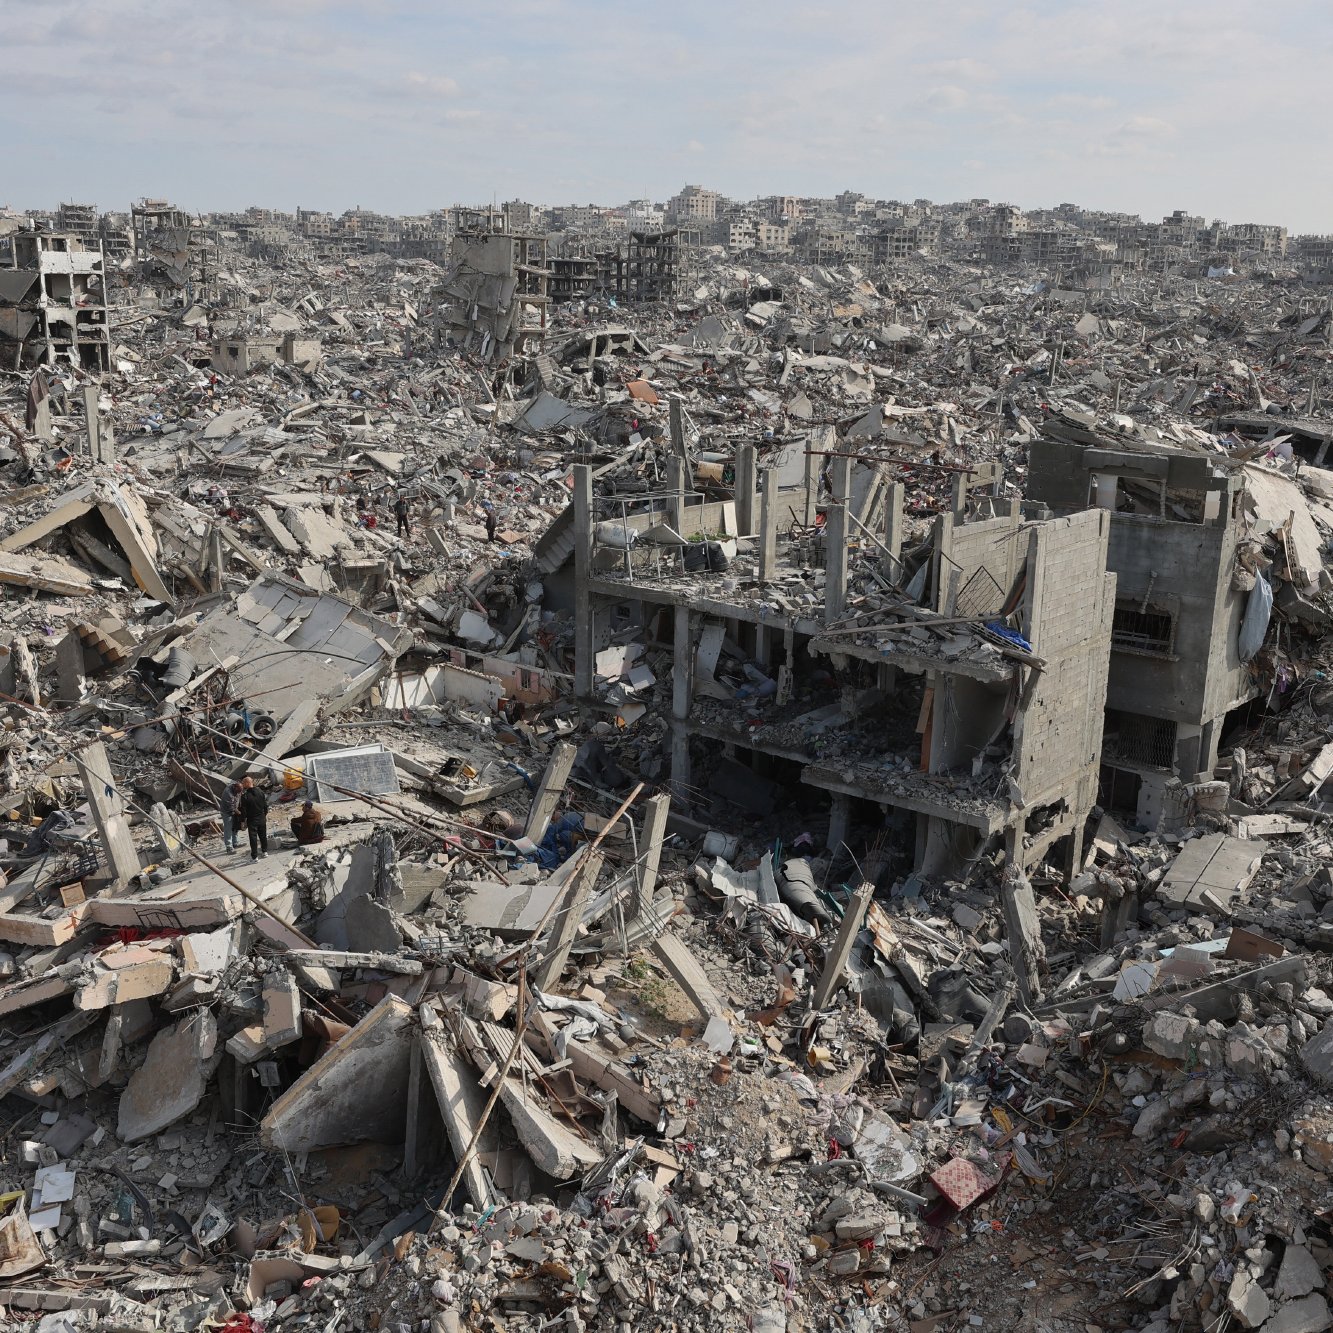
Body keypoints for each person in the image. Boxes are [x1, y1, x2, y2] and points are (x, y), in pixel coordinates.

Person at [238, 776, 269, 861]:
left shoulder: (245, 796)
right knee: (263, 835)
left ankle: (255, 857)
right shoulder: (260, 792)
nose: (242, 785)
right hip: (261, 817)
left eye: (243, 783)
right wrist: (264, 815)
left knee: (253, 838)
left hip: (252, 820)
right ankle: (265, 851)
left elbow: (243, 811)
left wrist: (242, 821)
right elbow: (265, 805)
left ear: (247, 783)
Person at [219, 778, 243, 853]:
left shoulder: (238, 789)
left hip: (234, 810)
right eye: (237, 792)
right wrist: (239, 812)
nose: (238, 793)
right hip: (227, 812)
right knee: (228, 829)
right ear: (234, 787)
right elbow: (231, 806)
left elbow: (239, 798)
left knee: (235, 827)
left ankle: (235, 843)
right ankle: (229, 847)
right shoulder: (228, 793)